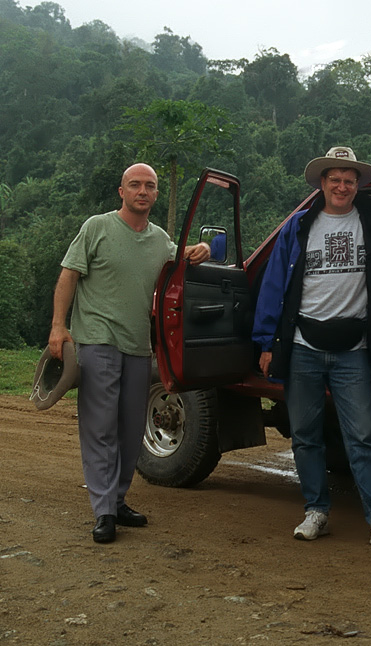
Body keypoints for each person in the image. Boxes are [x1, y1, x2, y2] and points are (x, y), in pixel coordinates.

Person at [252, 147, 371, 552]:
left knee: (364, 437)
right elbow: (273, 286)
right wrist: (266, 342)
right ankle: (316, 510)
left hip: (354, 349)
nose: (342, 185)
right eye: (334, 178)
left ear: (358, 185)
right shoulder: (298, 227)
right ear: (322, 183)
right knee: (305, 435)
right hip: (302, 347)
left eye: (349, 179)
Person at [49, 163, 210, 544]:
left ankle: (118, 500)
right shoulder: (97, 228)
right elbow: (68, 275)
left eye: (149, 186)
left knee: (131, 429)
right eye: (134, 185)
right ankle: (103, 511)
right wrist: (59, 327)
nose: (142, 190)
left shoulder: (158, 239)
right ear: (121, 191)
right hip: (97, 340)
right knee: (100, 426)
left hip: (139, 346)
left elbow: (176, 255)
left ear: (156, 195)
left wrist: (198, 249)